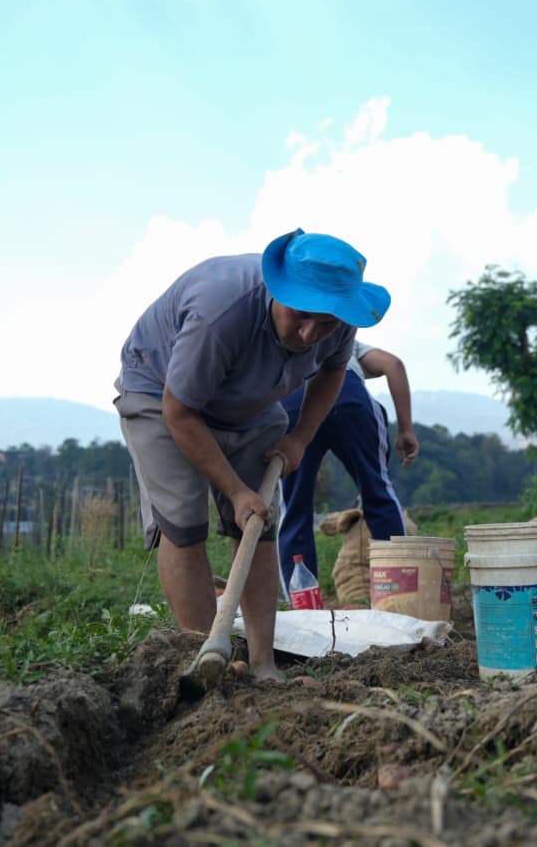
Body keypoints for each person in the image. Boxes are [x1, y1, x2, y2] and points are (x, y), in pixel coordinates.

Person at [115, 229, 390, 681]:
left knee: (261, 522)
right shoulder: (220, 312)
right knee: (183, 523)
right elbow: (180, 412)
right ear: (279, 292)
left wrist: (299, 438)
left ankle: (263, 665)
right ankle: (205, 658)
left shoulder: (336, 319)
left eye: (325, 325)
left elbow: (332, 374)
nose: (309, 334)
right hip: (162, 393)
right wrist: (235, 490)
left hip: (249, 401)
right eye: (300, 316)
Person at [277, 340, 419, 594]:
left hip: (293, 402)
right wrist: (406, 430)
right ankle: (399, 595)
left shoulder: (280, 333)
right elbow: (393, 364)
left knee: (294, 508)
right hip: (349, 399)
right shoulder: (345, 339)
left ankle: (301, 606)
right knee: (378, 493)